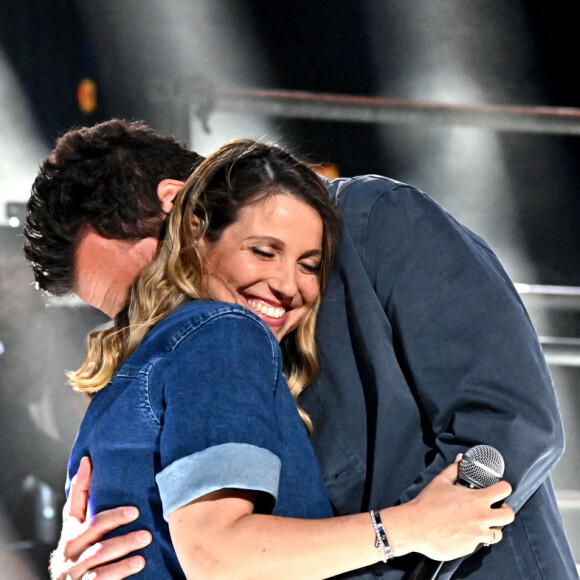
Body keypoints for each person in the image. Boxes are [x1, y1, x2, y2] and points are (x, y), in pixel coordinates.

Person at [24, 120, 578, 579]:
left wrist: (398, 537)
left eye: (145, 285)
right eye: (128, 314)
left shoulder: (375, 222)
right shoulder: (197, 346)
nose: (157, 316)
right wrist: (86, 552)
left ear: (179, 209)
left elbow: (507, 423)